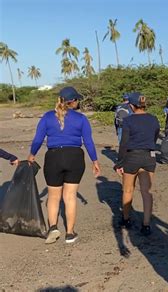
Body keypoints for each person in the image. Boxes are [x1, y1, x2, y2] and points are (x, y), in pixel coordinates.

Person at [28, 86, 101, 244]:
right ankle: (70, 233)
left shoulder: (47, 117)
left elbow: (38, 139)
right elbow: (88, 142)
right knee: (70, 196)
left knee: (53, 196)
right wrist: (95, 161)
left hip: (53, 157)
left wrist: (32, 155)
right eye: (77, 100)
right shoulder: (81, 119)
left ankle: (53, 228)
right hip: (75, 157)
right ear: (73, 101)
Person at [114, 92, 160, 236]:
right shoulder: (154, 119)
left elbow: (124, 143)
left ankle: (126, 218)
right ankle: (146, 224)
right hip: (149, 156)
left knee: (128, 190)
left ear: (132, 106)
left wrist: (119, 162)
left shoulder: (128, 120)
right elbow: (155, 136)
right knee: (147, 192)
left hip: (132, 156)